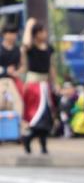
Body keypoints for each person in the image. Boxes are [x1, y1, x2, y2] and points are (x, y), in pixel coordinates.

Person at [18, 18, 57, 155]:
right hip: (34, 86)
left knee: (46, 117)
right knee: (37, 116)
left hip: (45, 85)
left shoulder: (49, 48)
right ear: (36, 34)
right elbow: (25, 44)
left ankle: (42, 144)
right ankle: (28, 138)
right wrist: (29, 26)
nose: (44, 34)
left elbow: (51, 67)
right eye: (41, 32)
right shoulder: (31, 48)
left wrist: (55, 84)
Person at [0, 24, 23, 111]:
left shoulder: (18, 50)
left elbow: (22, 66)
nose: (13, 36)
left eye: (14, 33)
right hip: (1, 80)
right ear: (4, 34)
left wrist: (17, 72)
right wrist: (6, 70)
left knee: (18, 105)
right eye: (10, 33)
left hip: (13, 81)